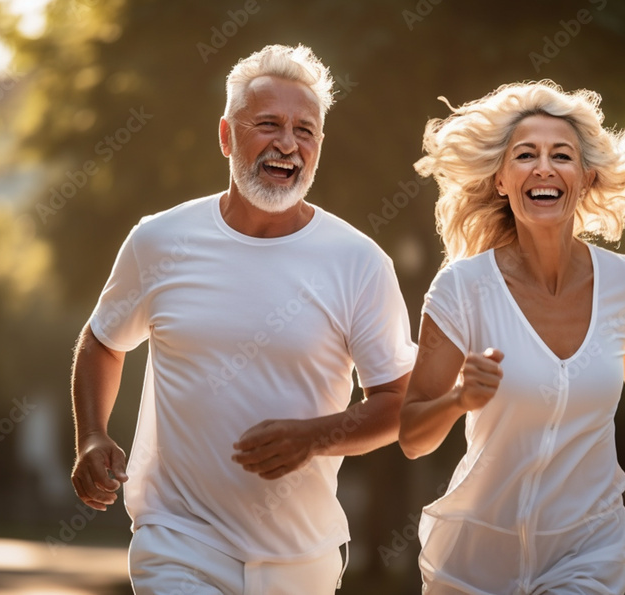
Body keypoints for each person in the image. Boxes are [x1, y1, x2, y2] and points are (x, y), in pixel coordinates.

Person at [70, 44, 416, 595]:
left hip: (302, 556)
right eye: (269, 124)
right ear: (227, 136)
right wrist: (91, 435)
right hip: (178, 538)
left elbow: (401, 401)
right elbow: (104, 342)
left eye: (306, 130)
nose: (288, 143)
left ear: (319, 146)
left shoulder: (360, 262)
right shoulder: (160, 240)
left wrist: (315, 436)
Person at [398, 80, 625, 594]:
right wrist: (458, 399)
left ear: (584, 179)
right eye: (525, 155)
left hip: (587, 547)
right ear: (500, 180)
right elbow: (411, 435)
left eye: (561, 155)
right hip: (476, 559)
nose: (544, 167)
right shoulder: (463, 289)